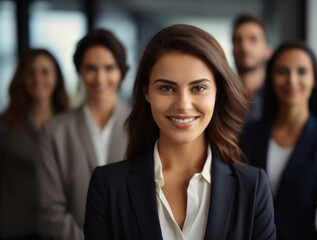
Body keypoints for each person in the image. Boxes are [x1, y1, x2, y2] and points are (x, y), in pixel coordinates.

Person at [84, 24, 276, 240]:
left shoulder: (253, 187)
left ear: (218, 92)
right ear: (147, 91)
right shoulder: (108, 186)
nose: (183, 105)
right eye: (166, 88)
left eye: (198, 88)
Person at [242, 41, 317, 240]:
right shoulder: (248, 135)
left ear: (315, 80)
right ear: (271, 79)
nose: (292, 80)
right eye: (282, 71)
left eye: (302, 71)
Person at [36, 29, 130, 240]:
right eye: (90, 68)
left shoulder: (142, 125)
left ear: (121, 71)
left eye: (109, 68)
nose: (100, 78)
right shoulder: (53, 131)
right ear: (79, 70)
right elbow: (51, 210)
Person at [0, 49, 69, 239]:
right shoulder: (6, 125)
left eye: (45, 72)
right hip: (15, 227)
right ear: (22, 78)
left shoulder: (69, 125)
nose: (38, 78)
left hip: (58, 228)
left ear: (56, 78)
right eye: (31, 72)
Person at [232, 13, 272, 123]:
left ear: (268, 50)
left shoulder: (279, 96)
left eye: (253, 39)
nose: (244, 46)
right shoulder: (222, 96)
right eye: (238, 40)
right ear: (232, 50)